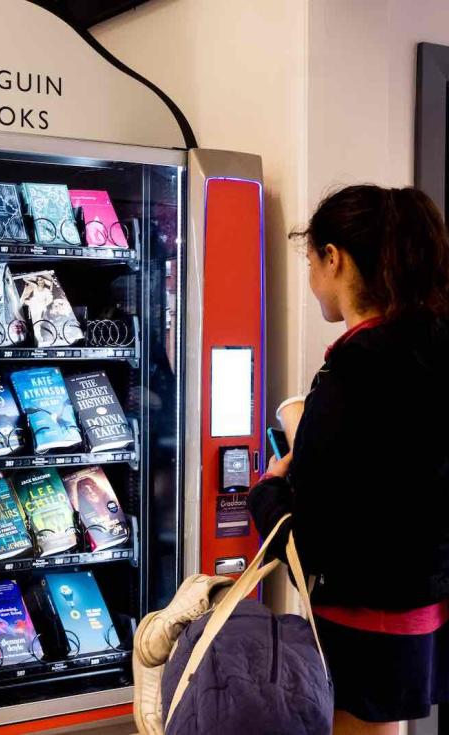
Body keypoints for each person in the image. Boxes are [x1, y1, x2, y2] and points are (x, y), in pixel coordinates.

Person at [248, 185, 449, 735]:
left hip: (361, 621)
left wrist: (268, 490)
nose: (312, 280)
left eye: (311, 262)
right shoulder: (432, 345)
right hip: (423, 611)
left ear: (333, 259)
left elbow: (313, 542)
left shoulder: (353, 374)